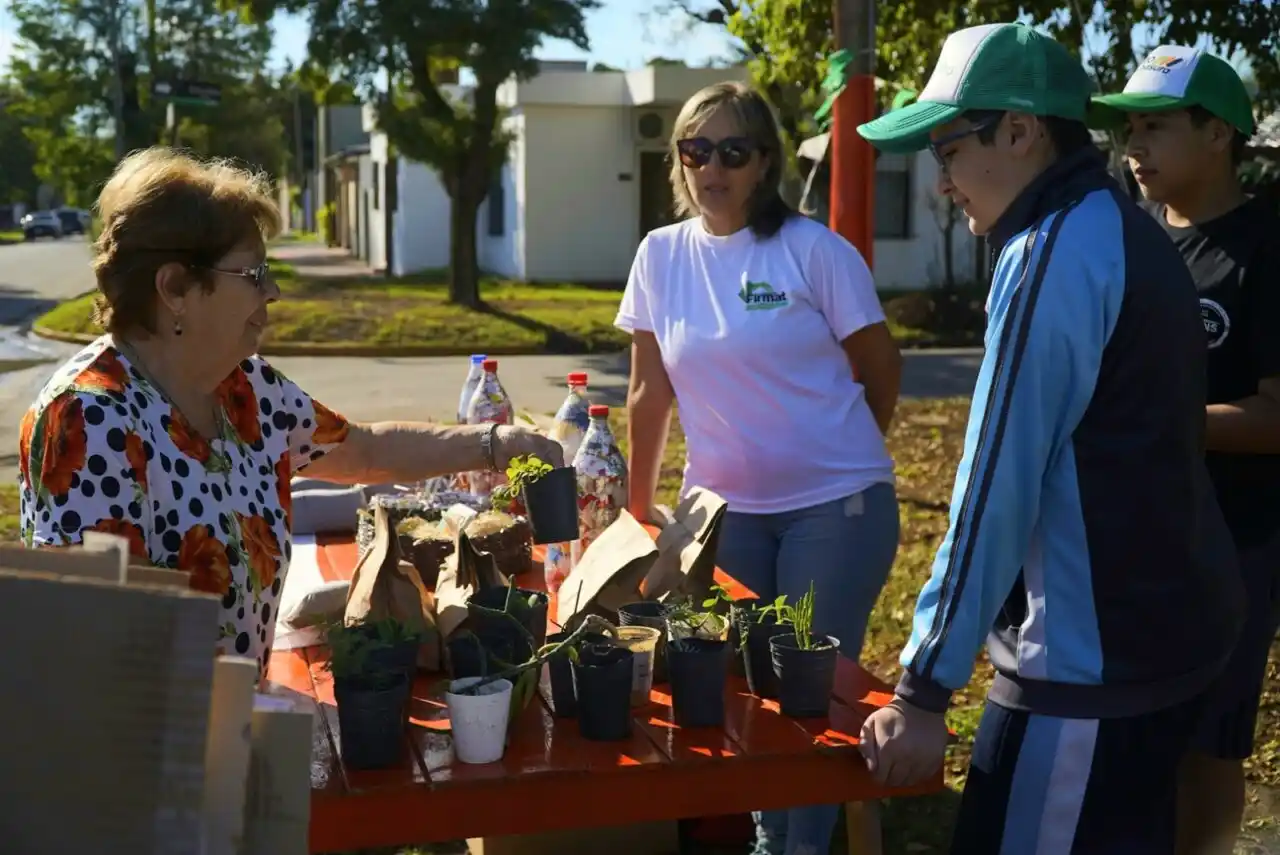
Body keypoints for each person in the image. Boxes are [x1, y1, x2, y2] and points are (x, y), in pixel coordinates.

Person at [854, 23, 1244, 854]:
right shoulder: (1120, 226)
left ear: (1022, 132)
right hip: (1164, 640)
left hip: (1089, 667)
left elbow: (997, 478)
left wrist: (923, 689)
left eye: (948, 148)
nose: (942, 179)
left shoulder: (1054, 249)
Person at [16, 147, 562, 676]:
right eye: (253, 275)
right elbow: (101, 646)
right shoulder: (88, 420)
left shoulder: (244, 388)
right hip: (146, 750)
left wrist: (496, 443)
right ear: (176, 287)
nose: (272, 292)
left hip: (222, 728)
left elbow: (366, 450)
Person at [616, 79, 903, 855]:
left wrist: (839, 454)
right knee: (738, 690)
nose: (713, 167)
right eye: (696, 150)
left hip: (834, 509)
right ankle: (765, 836)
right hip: (722, 518)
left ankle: (794, 846)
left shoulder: (814, 251)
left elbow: (880, 369)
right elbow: (648, 394)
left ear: (766, 161)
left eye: (733, 151)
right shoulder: (660, 255)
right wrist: (638, 514)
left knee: (803, 697)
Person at [1092, 46, 1280, 855]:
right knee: (1134, 731)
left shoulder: (1267, 246)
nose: (1135, 145)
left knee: (1211, 740)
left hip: (1235, 541)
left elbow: (1277, 415)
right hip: (1131, 537)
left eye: (1156, 125)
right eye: (1129, 126)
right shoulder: (1127, 241)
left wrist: (1161, 418)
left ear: (1220, 134)